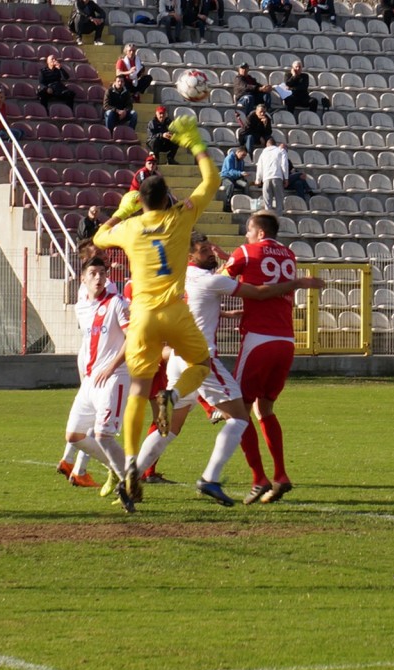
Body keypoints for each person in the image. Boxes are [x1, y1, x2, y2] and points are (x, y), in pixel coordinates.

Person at [133, 232, 324, 507]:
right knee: (239, 417)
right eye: (204, 251)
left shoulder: (178, 278)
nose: (210, 253)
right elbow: (260, 292)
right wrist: (297, 283)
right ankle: (210, 478)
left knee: (171, 428)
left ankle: (131, 477)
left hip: (177, 357)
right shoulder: (210, 280)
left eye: (209, 248)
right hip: (201, 359)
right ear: (190, 256)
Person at [92, 115, 219, 512]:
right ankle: (174, 395)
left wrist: (122, 209)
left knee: (137, 390)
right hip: (175, 312)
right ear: (166, 199)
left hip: (143, 317)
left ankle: (130, 463)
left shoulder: (130, 229)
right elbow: (211, 181)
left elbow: (98, 237)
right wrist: (194, 143)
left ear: (141, 201)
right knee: (200, 363)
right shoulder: (180, 216)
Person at [223, 213, 303, 504]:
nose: (246, 236)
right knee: (265, 408)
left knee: (238, 411)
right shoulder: (289, 255)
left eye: (248, 231)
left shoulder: (246, 252)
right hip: (286, 340)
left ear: (258, 232)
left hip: (258, 339)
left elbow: (219, 282)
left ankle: (258, 478)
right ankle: (280, 474)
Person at [63, 257, 131, 497]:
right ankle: (118, 467)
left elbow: (132, 338)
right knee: (74, 436)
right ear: (83, 279)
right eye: (93, 273)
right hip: (90, 379)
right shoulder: (80, 308)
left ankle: (129, 484)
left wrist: (111, 366)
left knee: (103, 435)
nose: (98, 277)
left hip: (113, 378)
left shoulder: (116, 303)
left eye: (102, 273)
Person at [256, 139, 289, 216]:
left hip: (266, 179)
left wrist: (258, 180)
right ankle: (279, 219)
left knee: (267, 203)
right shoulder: (281, 150)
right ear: (275, 144)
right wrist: (286, 178)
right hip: (277, 177)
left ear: (267, 145)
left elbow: (259, 167)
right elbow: (284, 165)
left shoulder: (263, 153)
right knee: (279, 202)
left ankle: (268, 220)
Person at [221, 146, 251, 211]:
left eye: (245, 155)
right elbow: (230, 171)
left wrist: (243, 176)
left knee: (245, 184)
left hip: (236, 179)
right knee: (230, 185)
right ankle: (227, 205)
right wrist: (240, 173)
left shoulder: (242, 161)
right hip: (226, 177)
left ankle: (246, 202)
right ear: (238, 152)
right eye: (243, 155)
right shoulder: (229, 158)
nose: (243, 157)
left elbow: (241, 172)